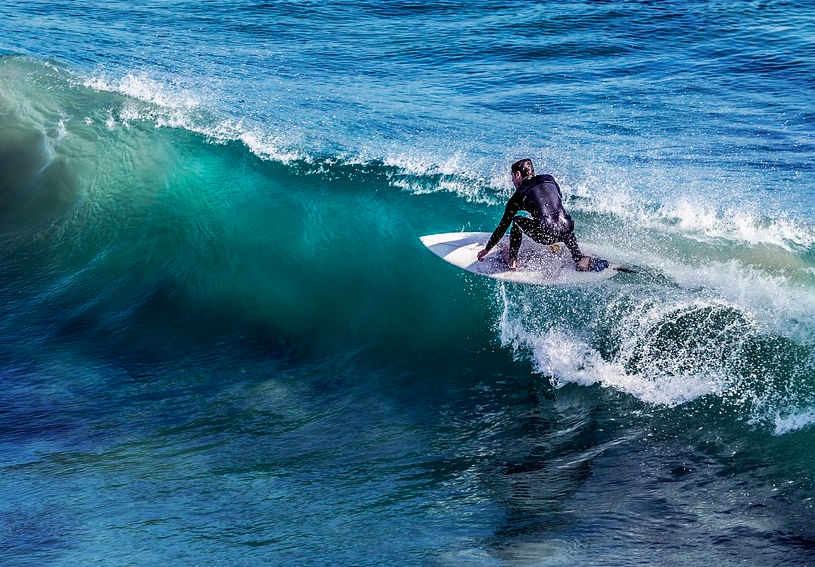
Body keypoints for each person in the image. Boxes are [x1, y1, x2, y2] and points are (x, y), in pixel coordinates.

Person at [477, 158, 594, 271]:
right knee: (559, 219)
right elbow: (556, 199)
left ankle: (512, 260)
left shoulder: (519, 194)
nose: (512, 181)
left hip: (546, 236)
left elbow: (503, 227)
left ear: (518, 175)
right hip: (567, 229)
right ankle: (579, 258)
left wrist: (487, 249)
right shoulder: (549, 179)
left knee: (517, 221)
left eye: (512, 177)